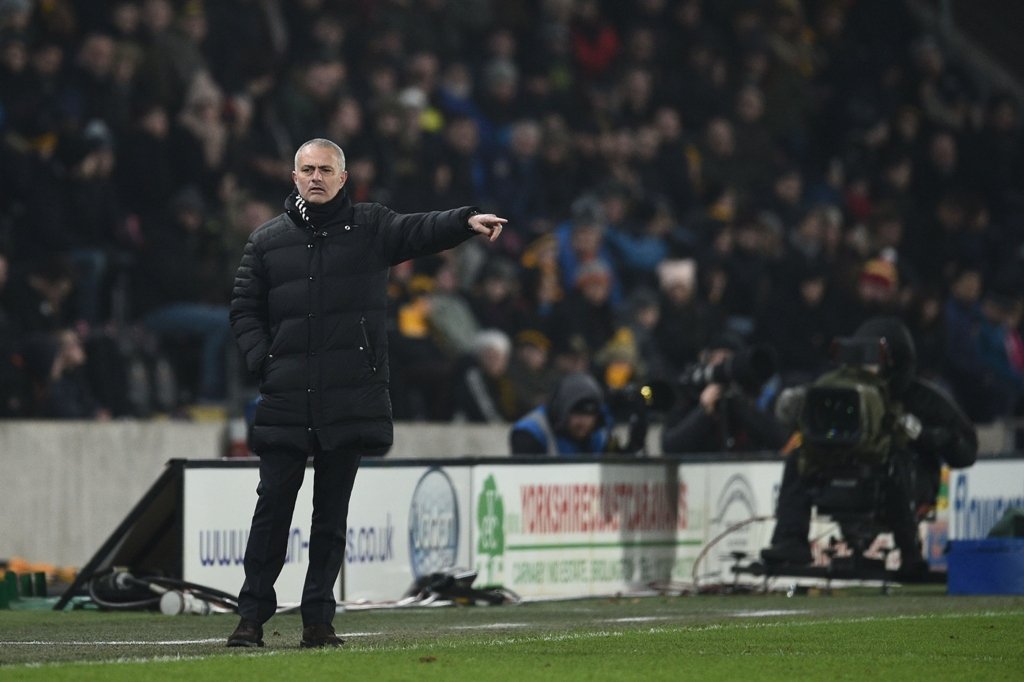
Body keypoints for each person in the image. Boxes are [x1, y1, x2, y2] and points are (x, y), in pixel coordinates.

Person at [227, 138, 505, 648]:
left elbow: (418, 231)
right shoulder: (266, 241)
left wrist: (463, 221)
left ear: (342, 177)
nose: (315, 177)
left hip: (348, 396)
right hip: (287, 396)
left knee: (331, 518)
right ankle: (251, 617)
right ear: (294, 179)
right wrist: (264, 361)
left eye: (324, 170)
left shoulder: (372, 227)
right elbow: (244, 308)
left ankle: (318, 621)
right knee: (272, 513)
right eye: (307, 170)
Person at [761, 317, 978, 572]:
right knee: (798, 457)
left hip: (904, 480)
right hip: (843, 471)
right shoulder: (841, 392)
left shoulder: (923, 399)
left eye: (873, 360)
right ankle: (790, 539)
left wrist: (923, 436)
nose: (867, 368)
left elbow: (966, 450)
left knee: (898, 459)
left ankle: (910, 551)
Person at [660, 335, 786, 454]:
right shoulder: (689, 392)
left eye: (727, 358)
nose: (721, 364)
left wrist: (738, 404)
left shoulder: (752, 394)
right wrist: (703, 411)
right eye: (716, 357)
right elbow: (670, 447)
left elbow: (780, 441)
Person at [509, 371, 614, 457]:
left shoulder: (601, 430)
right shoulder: (530, 433)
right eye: (577, 414)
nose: (583, 422)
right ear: (563, 411)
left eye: (589, 415)